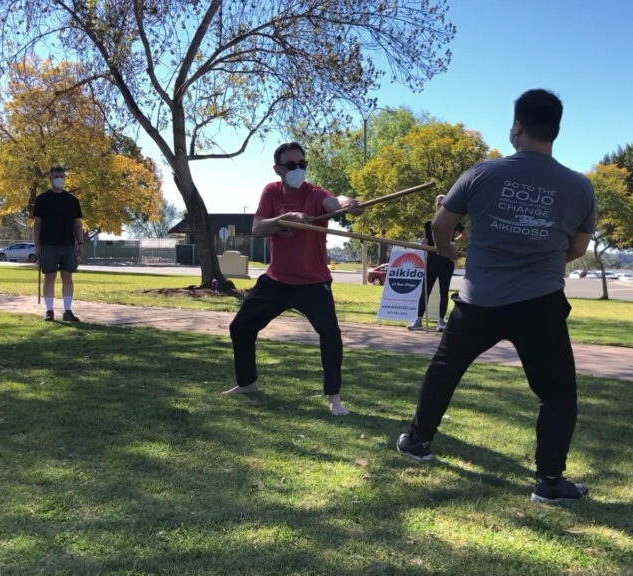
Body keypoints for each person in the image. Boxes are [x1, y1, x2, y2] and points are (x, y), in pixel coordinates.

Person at [395, 89, 596, 504]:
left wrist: (450, 251)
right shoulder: (579, 186)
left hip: (478, 301)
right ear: (555, 129)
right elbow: (576, 249)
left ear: (517, 126)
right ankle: (549, 481)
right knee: (557, 394)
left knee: (444, 371)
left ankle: (417, 441)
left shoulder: (480, 174)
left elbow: (439, 227)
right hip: (541, 303)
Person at [225, 142, 365, 416]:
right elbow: (256, 228)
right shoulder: (271, 192)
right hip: (277, 281)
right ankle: (247, 383)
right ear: (277, 169)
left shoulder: (314, 193)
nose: (298, 169)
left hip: (313, 283)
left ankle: (334, 398)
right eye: (291, 165)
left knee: (330, 336)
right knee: (240, 328)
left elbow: (335, 202)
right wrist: (285, 219)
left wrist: (348, 204)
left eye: (302, 164)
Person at [408, 194, 466, 332]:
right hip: (432, 260)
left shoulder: (453, 221)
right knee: (425, 290)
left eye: (443, 202)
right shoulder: (429, 223)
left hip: (446, 261)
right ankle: (418, 320)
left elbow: (466, 234)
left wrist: (452, 243)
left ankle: (441, 321)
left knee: (443, 291)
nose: (440, 204)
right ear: (435, 204)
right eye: (438, 202)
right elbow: (427, 240)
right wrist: (423, 244)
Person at [33, 165, 84, 322]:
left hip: (68, 244)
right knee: (49, 277)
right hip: (48, 244)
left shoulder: (72, 201)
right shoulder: (41, 200)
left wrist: (80, 243)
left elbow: (78, 224)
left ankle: (67, 311)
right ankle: (49, 311)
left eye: (62, 176)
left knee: (67, 277)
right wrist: (37, 247)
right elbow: (37, 225)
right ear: (50, 177)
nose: (59, 179)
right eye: (56, 176)